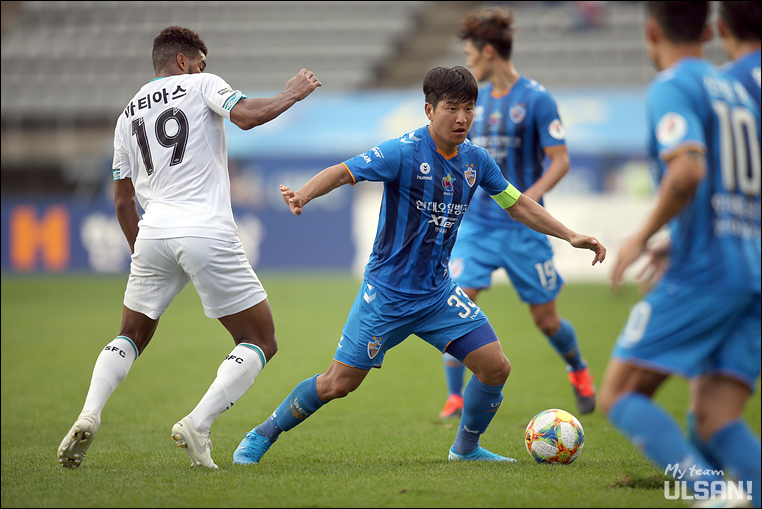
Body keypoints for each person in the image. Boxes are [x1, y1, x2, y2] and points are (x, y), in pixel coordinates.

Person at [232, 66, 606, 466]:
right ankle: (262, 434)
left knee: (495, 367)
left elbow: (517, 204)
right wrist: (304, 195)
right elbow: (344, 172)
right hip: (386, 296)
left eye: (469, 109)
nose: (462, 118)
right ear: (429, 110)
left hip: (437, 295)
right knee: (337, 384)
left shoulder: (477, 161)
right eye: (451, 108)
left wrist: (570, 235)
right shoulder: (402, 152)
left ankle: (465, 449)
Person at [57, 26, 321, 470]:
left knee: (130, 335)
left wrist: (143, 253)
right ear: (182, 61)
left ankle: (89, 412)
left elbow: (122, 201)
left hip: (153, 231)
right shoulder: (202, 85)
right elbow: (246, 117)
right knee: (259, 339)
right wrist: (292, 93)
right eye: (200, 61)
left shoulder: (127, 115)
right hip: (205, 227)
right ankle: (198, 424)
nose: (204, 68)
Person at [599, 2, 761, 505]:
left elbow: (687, 170)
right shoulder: (736, 89)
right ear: (709, 29)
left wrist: (641, 236)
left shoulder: (672, 85)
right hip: (751, 268)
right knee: (716, 419)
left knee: (619, 394)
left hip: (706, 272)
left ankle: (710, 492)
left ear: (651, 31)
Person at [436, 6, 595, 421]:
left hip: (524, 229)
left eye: (471, 54)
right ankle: (455, 397)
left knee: (546, 321)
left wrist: (530, 197)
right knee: (458, 303)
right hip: (477, 226)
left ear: (488, 52)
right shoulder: (472, 104)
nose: (468, 61)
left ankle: (578, 369)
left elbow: (560, 161)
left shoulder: (536, 99)